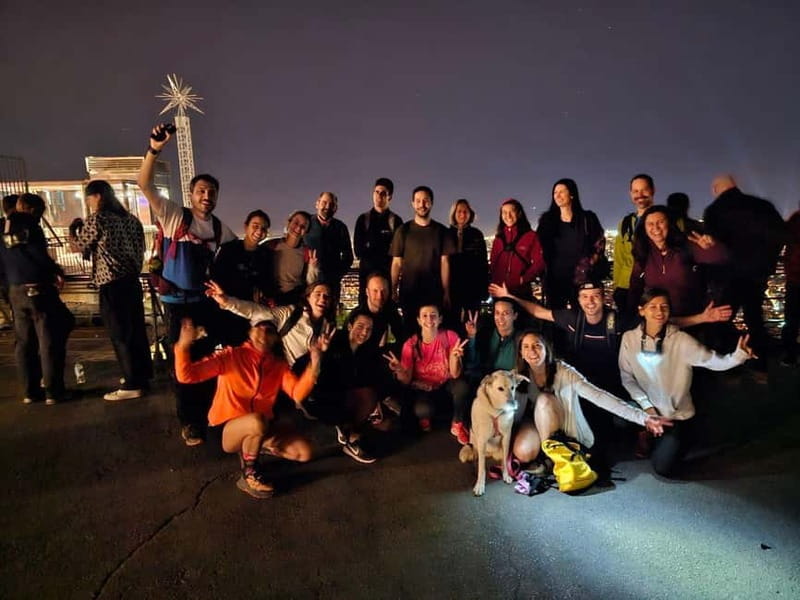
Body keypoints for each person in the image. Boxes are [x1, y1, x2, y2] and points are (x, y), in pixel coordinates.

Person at [137, 123, 238, 446]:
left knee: (208, 361)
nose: (206, 196)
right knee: (183, 361)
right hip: (177, 305)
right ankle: (190, 422)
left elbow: (245, 251)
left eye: (211, 192)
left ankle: (209, 413)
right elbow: (144, 183)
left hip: (205, 303)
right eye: (201, 191)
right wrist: (154, 149)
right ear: (191, 194)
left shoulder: (222, 229)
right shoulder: (173, 215)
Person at [174, 317, 323, 498]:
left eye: (269, 331)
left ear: (276, 338)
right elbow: (187, 375)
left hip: (258, 426)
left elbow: (297, 394)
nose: (262, 333)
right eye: (258, 328)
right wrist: (183, 346)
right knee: (257, 421)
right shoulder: (231, 356)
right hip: (224, 431)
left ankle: (254, 446)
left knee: (304, 452)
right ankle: (249, 474)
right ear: (250, 333)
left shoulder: (278, 366)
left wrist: (314, 363)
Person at [490, 279, 630, 469]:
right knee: (525, 450)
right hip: (580, 384)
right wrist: (510, 297)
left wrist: (642, 417)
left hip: (602, 385)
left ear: (604, 297)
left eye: (595, 296)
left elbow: (655, 319)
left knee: (614, 426)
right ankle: (549, 450)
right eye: (585, 297)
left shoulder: (617, 321)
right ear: (579, 300)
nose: (590, 302)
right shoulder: (573, 318)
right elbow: (539, 312)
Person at [619, 288, 756, 476]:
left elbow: (712, 361)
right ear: (641, 310)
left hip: (674, 415)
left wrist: (738, 356)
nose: (659, 312)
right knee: (617, 418)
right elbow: (627, 377)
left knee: (663, 467)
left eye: (664, 307)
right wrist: (648, 408)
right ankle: (646, 432)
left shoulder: (681, 341)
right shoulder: (629, 339)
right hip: (646, 410)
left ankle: (677, 435)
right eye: (653, 307)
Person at [510, 330, 671, 472]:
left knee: (544, 400)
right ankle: (547, 455)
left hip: (561, 425)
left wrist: (644, 418)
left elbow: (600, 397)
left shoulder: (564, 372)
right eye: (526, 347)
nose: (532, 351)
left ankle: (554, 459)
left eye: (537, 345)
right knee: (523, 453)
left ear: (546, 348)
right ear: (521, 353)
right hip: (534, 424)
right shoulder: (516, 376)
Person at [69, 180, 152, 401]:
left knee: (120, 334)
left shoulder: (98, 218)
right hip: (133, 282)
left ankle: (132, 384)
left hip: (111, 285)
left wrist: (73, 231)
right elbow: (141, 249)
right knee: (136, 331)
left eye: (88, 198)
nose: (88, 203)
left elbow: (79, 246)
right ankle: (142, 375)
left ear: (96, 196)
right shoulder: (132, 220)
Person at [703, 175, 787, 369]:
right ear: (735, 185)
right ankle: (759, 362)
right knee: (754, 318)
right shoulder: (762, 206)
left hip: (729, 275)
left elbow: (712, 245)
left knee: (722, 318)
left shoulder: (714, 211)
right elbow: (781, 235)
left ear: (716, 189)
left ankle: (729, 362)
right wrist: (768, 262)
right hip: (758, 273)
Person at [0, 193, 73, 404]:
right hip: (38, 288)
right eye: (39, 212)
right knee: (49, 339)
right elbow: (39, 255)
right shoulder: (31, 225)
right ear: (29, 208)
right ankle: (53, 391)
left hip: (15, 290)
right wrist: (57, 271)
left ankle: (30, 391)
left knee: (24, 342)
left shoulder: (2, 227)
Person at [628, 205, 733, 331]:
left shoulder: (687, 247)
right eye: (650, 224)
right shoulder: (643, 253)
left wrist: (712, 247)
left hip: (694, 322)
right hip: (660, 324)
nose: (655, 228)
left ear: (670, 224)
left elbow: (720, 258)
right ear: (644, 228)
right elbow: (635, 288)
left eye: (660, 222)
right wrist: (632, 316)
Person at [383, 304, 470, 441]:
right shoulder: (411, 344)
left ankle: (457, 423)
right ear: (418, 320)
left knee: (462, 386)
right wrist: (399, 369)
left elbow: (455, 374)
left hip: (445, 385)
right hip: (422, 389)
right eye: (424, 315)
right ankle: (425, 417)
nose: (429, 319)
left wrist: (454, 357)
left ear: (440, 319)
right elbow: (406, 381)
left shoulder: (450, 336)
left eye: (433, 315)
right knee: (423, 409)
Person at [311, 309, 386, 464]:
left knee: (370, 394)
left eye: (369, 329)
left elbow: (370, 379)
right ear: (350, 326)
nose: (364, 332)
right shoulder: (333, 341)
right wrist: (321, 354)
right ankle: (347, 434)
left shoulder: (367, 351)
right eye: (360, 326)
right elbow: (320, 376)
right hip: (325, 396)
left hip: (346, 397)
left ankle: (350, 432)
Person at [206, 280, 335, 369]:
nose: (322, 299)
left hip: (302, 382)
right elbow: (256, 311)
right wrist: (227, 301)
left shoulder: (327, 328)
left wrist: (321, 353)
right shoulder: (291, 313)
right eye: (317, 295)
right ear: (308, 297)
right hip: (278, 376)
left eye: (327, 296)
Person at [390, 186, 455, 328]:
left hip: (434, 293)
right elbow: (396, 263)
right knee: (409, 332)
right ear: (412, 203)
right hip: (409, 292)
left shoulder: (442, 231)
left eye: (425, 201)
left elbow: (445, 263)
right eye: (418, 201)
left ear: (431, 203)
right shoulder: (403, 231)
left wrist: (446, 292)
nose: (422, 205)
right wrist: (393, 290)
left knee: (434, 333)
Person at [537, 179, 608, 308]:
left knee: (582, 316)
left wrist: (587, 265)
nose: (557, 196)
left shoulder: (588, 218)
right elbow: (539, 246)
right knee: (556, 318)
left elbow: (599, 244)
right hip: (555, 280)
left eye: (562, 192)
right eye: (555, 192)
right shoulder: (547, 221)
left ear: (572, 194)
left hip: (582, 280)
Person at [210, 209, 274, 346]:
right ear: (246, 227)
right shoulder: (228, 250)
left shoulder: (265, 255)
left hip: (250, 311)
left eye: (263, 229)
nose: (259, 231)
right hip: (227, 309)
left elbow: (266, 282)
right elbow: (216, 277)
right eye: (255, 226)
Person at [353, 178, 401, 303]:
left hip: (388, 277)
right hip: (366, 277)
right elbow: (358, 250)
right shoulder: (363, 219)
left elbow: (398, 252)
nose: (379, 196)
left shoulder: (395, 221)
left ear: (389, 197)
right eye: (376, 192)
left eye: (383, 193)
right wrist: (384, 249)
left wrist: (371, 247)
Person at [613, 174, 655, 314]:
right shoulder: (625, 223)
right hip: (626, 286)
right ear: (630, 193)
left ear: (653, 190)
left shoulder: (664, 219)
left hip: (653, 286)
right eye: (636, 191)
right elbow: (619, 258)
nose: (640, 195)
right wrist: (616, 287)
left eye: (644, 190)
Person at [489, 198, 544, 300]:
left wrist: (523, 279)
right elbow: (493, 263)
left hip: (520, 291)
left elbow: (540, 262)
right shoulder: (498, 239)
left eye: (511, 211)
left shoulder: (530, 236)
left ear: (519, 213)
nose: (508, 216)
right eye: (504, 212)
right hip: (499, 291)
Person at [304, 192, 353, 301]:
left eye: (331, 204)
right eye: (324, 202)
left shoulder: (341, 228)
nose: (327, 206)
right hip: (307, 280)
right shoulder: (306, 223)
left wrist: (337, 274)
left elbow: (348, 257)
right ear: (317, 204)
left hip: (332, 282)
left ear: (335, 208)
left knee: (330, 313)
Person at [266, 210, 319, 306]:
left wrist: (313, 267)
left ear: (306, 231)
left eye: (303, 226)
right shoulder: (271, 246)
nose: (298, 228)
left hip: (293, 300)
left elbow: (309, 283)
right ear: (288, 223)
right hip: (270, 299)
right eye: (296, 223)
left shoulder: (307, 253)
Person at [448, 199, 488, 320]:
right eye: (459, 211)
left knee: (472, 321)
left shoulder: (477, 234)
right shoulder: (446, 234)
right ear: (453, 213)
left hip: (473, 287)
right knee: (452, 321)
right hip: (452, 287)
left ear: (470, 214)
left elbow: (483, 262)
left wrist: (484, 288)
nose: (462, 214)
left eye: (466, 211)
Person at [353, 272, 405, 350]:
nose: (380, 296)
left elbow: (402, 336)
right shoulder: (357, 316)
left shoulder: (389, 309)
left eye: (383, 291)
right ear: (367, 292)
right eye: (375, 291)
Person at [780, 203, 800, 367]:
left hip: (795, 278)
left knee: (791, 319)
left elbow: (781, 239)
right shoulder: (795, 220)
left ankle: (790, 355)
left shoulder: (795, 220)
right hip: (794, 277)